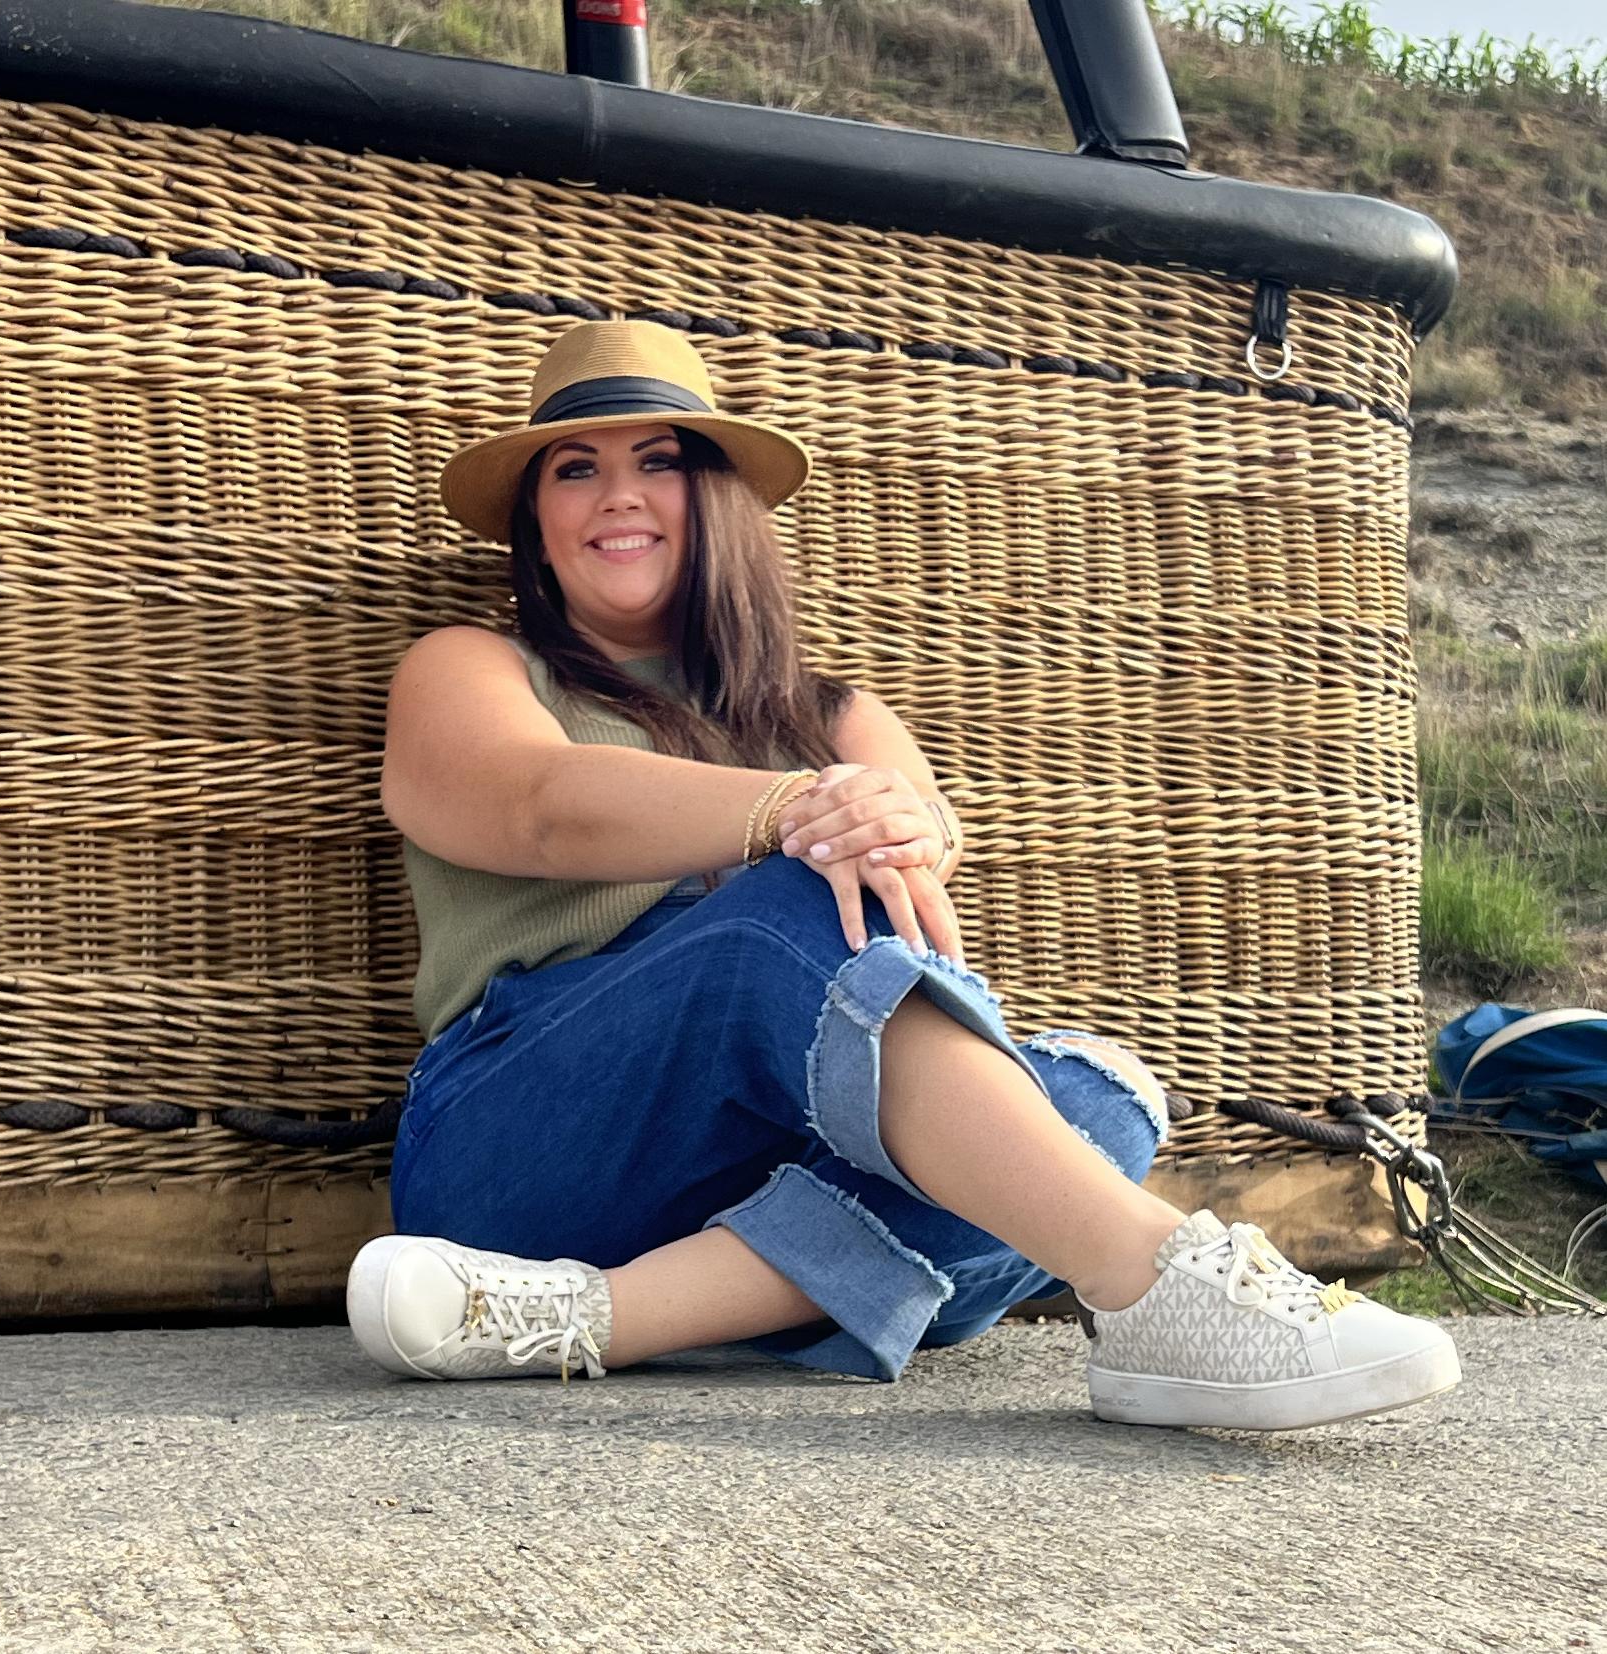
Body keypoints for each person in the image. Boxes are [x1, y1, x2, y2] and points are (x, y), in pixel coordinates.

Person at [345, 319, 1461, 1431]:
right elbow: (537, 807)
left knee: (1101, 1100)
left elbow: (912, 911)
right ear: (536, 526)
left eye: (659, 462)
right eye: (576, 470)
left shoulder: (836, 718)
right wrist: (790, 809)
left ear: (719, 500)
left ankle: (585, 1316)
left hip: (756, 1165)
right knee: (797, 903)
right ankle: (1156, 1285)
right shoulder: (474, 665)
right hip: (522, 1136)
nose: (617, 496)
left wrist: (874, 818)